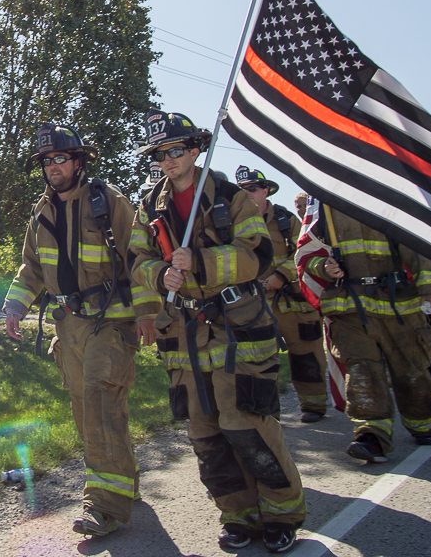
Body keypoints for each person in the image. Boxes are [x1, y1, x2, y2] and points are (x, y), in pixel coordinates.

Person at [129, 110, 305, 554]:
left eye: (173, 151)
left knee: (245, 422)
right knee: (205, 432)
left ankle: (281, 515)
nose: (166, 162)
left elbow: (259, 254)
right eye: (157, 155)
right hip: (183, 333)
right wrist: (158, 275)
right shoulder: (149, 206)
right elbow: (136, 260)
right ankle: (238, 516)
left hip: (238, 326)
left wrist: (202, 263)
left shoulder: (231, 196)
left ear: (194, 150)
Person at [3, 123, 160, 536]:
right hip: (66, 327)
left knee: (100, 403)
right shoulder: (41, 211)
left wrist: (148, 312)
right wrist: (15, 306)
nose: (53, 167)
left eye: (60, 159)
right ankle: (122, 484)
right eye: (46, 162)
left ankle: (104, 507)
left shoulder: (109, 202)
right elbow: (31, 267)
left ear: (78, 161)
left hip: (110, 321)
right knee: (87, 410)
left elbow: (139, 258)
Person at [299, 204, 431, 464]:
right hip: (349, 305)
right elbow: (305, 253)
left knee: (410, 369)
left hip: (396, 301)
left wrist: (430, 288)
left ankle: (423, 423)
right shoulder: (323, 202)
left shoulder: (383, 193)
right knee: (361, 371)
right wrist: (324, 267)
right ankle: (372, 434)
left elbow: (417, 246)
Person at [236, 166, 328, 423]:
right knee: (259, 360)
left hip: (291, 302)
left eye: (253, 189)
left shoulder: (287, 220)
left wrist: (281, 276)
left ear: (266, 191)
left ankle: (314, 404)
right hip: (253, 303)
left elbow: (304, 253)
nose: (248, 194)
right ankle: (267, 411)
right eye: (242, 190)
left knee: (306, 355)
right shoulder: (233, 223)